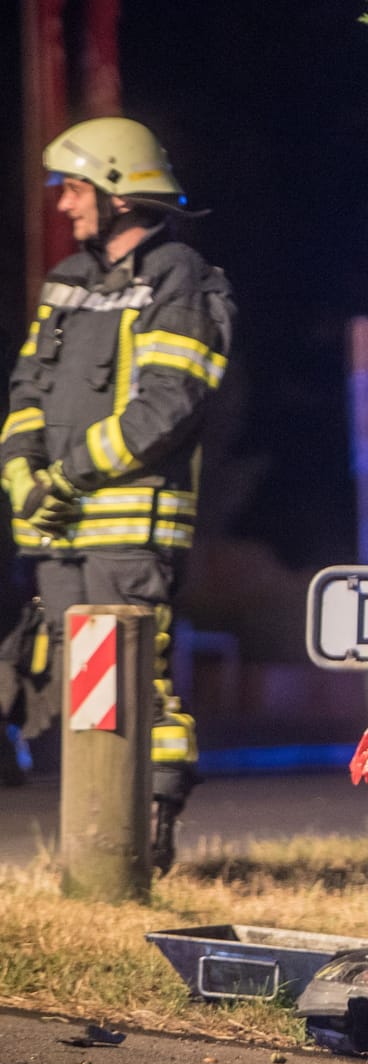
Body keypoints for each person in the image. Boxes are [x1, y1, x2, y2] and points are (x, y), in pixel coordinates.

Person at [2, 116, 235, 871]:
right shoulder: (69, 281)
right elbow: (27, 388)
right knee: (72, 681)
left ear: (120, 192)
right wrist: (19, 475)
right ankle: (95, 840)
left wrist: (66, 476)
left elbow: (167, 406)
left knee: (138, 684)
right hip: (55, 529)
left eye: (74, 188)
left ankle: (149, 832)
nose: (64, 206)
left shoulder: (181, 279)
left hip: (130, 529)